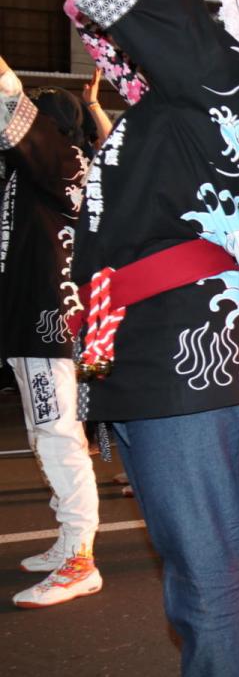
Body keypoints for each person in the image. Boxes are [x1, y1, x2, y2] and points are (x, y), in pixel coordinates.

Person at [38, 0, 239, 667]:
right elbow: (101, 10)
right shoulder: (196, 94)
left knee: (205, 583)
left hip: (185, 343)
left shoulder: (219, 65)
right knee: (212, 573)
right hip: (187, 343)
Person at [0, 70, 102, 609]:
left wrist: (8, 86)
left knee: (59, 434)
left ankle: (81, 558)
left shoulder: (62, 160)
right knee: (47, 433)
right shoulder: (32, 171)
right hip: (32, 318)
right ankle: (70, 540)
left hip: (50, 320)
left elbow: (9, 100)